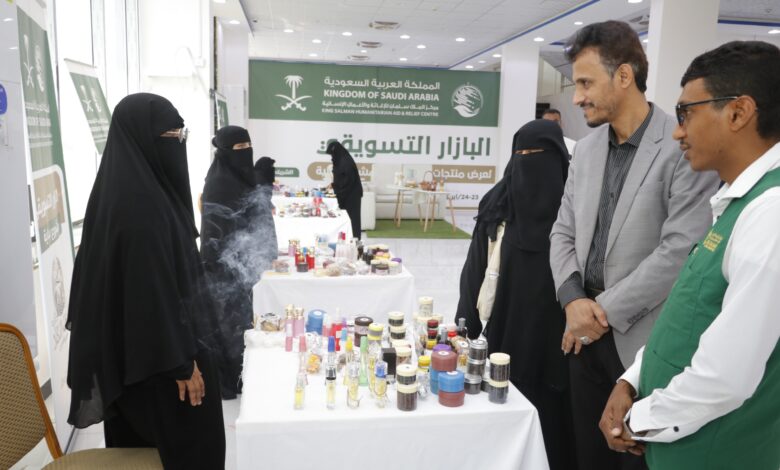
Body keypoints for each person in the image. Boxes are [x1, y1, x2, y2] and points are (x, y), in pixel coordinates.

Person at [600, 41, 780, 470]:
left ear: (738, 112)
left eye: (686, 113)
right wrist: (631, 380)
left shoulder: (770, 214)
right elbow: (691, 314)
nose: (678, 132)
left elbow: (726, 377)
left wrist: (637, 420)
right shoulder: (736, 203)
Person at [548, 20, 719, 470]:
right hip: (580, 335)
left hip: (645, 342)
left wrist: (598, 312)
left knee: (636, 459)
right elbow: (562, 231)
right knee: (587, 455)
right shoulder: (585, 151)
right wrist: (572, 299)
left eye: (586, 83)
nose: (577, 97)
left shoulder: (681, 147)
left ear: (624, 75)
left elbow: (679, 250)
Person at [66, 93, 225, 469]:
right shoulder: (142, 210)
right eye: (171, 137)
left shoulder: (120, 194)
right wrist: (181, 365)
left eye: (181, 135)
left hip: (136, 361)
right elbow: (148, 298)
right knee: (192, 448)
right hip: (160, 367)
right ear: (143, 140)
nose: (178, 145)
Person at [456, 119, 575, 470]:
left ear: (559, 159)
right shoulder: (497, 206)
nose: (529, 163)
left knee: (554, 423)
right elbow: (474, 270)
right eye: (522, 154)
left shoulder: (575, 209)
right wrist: (464, 326)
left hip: (559, 340)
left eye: (539, 155)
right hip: (506, 331)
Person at [201, 127, 275, 399]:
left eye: (248, 146)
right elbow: (216, 233)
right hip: (223, 266)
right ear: (224, 151)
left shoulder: (241, 177)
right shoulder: (219, 184)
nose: (245, 152)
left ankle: (244, 372)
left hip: (244, 265)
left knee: (243, 320)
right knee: (228, 324)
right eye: (239, 148)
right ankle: (231, 379)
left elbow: (256, 212)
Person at [325, 140, 363, 239]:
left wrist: (336, 187)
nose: (332, 157)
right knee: (345, 219)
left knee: (352, 219)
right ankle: (345, 240)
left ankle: (355, 240)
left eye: (332, 154)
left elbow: (348, 181)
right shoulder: (340, 159)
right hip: (346, 193)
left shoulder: (346, 162)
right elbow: (341, 178)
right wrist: (333, 185)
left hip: (351, 195)